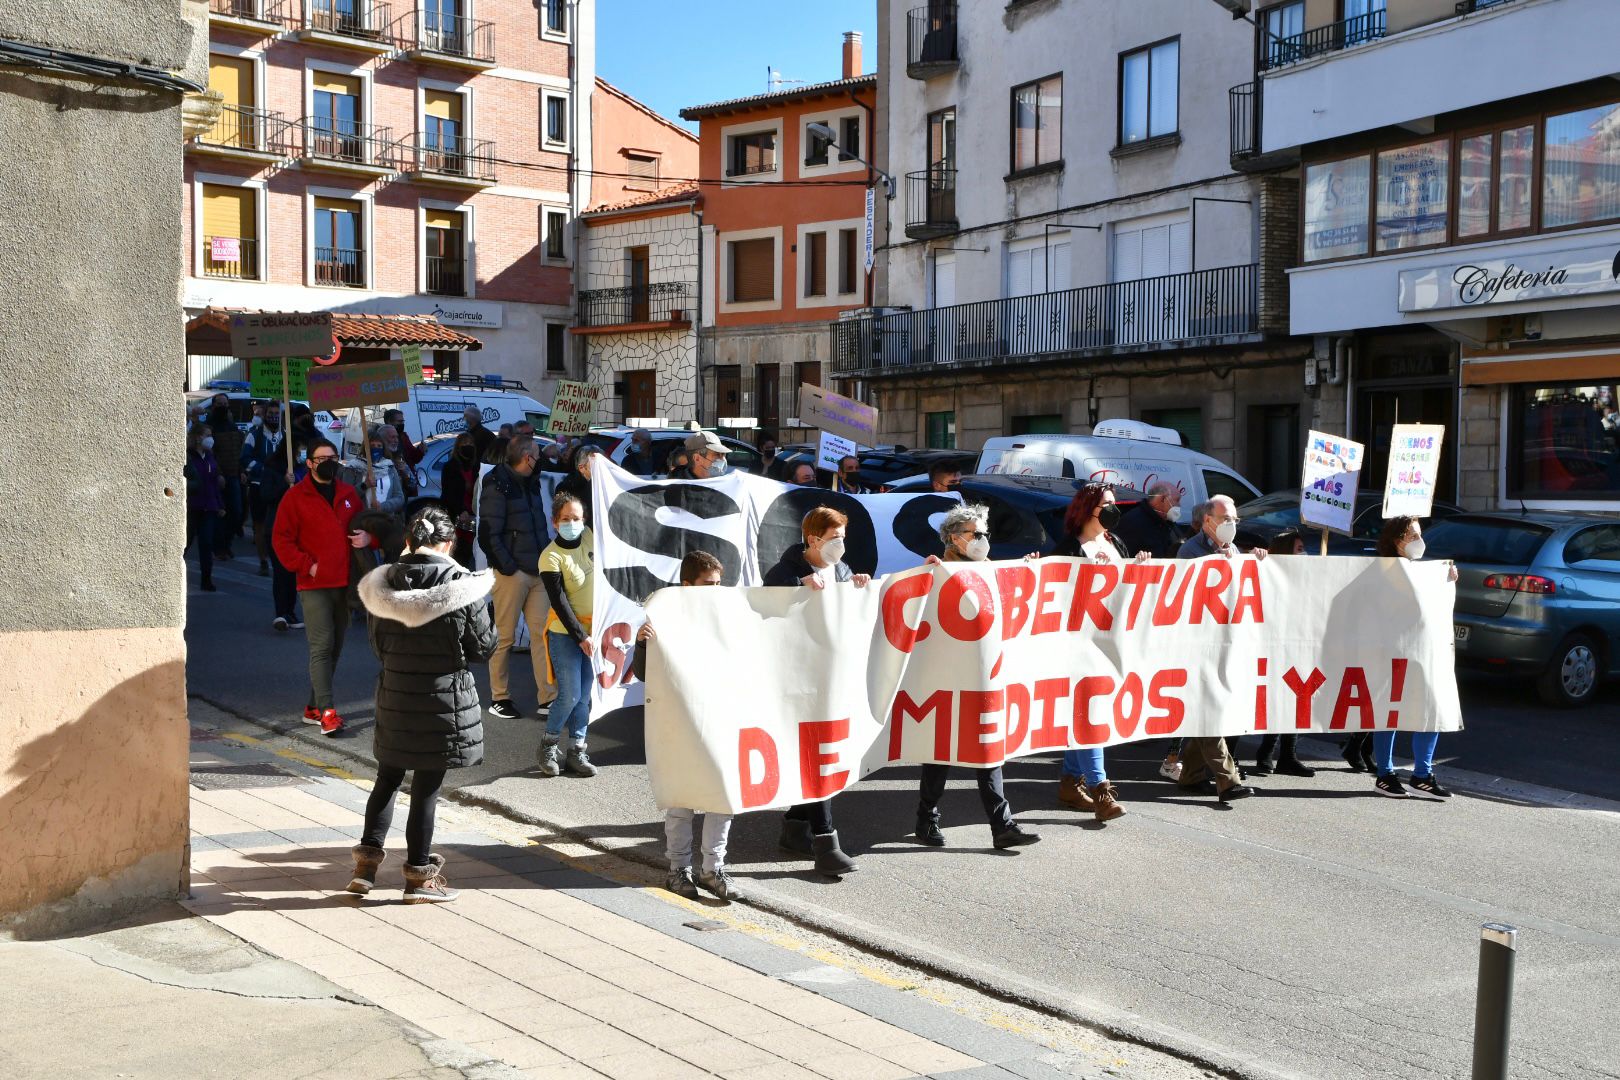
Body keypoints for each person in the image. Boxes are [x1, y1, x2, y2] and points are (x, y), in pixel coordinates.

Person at [350, 506, 496, 903]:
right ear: (447, 543)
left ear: (409, 541)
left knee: (388, 778)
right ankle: (418, 878)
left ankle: (365, 868)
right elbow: (483, 647)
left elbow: (377, 646)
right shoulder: (462, 585)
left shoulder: (383, 583)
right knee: (426, 790)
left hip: (396, 695)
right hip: (443, 700)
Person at [915, 505, 1041, 849]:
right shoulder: (936, 571)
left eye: (984, 533)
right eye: (975, 533)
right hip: (947, 677)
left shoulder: (989, 570)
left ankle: (1003, 826)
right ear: (955, 538)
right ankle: (927, 819)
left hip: (983, 677)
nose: (982, 540)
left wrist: (1025, 573)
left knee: (988, 752)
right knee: (940, 753)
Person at [763, 506, 870, 876]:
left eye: (843, 538)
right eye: (834, 538)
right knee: (817, 755)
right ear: (813, 540)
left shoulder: (839, 569)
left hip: (831, 678)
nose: (841, 545)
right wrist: (796, 592)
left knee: (820, 756)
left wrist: (856, 591)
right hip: (797, 682)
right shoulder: (784, 573)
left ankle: (795, 829)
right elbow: (766, 621)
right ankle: (826, 842)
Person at [632, 550, 742, 899]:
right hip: (679, 721)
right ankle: (678, 870)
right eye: (708, 584)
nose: (715, 590)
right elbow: (643, 673)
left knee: (722, 796)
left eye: (718, 584)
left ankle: (713, 869)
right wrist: (641, 644)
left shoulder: (727, 615)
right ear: (687, 584)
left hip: (719, 718)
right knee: (681, 801)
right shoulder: (663, 619)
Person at [1050, 482, 1141, 821]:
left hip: (1110, 642)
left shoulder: (1115, 542)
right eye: (1107, 503)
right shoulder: (1068, 549)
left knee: (1087, 713)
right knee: (1092, 713)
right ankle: (1102, 791)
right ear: (1088, 508)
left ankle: (1070, 782)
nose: (1114, 508)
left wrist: (1137, 567)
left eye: (1115, 503)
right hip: (1079, 645)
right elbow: (1056, 593)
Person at [272, 437, 370, 736]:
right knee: (322, 646)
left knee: (336, 647)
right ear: (310, 463)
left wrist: (369, 537)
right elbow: (281, 540)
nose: (329, 463)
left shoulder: (349, 492)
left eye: (333, 457)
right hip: (314, 584)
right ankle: (327, 711)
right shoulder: (295, 497)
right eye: (322, 458)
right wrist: (307, 565)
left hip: (345, 581)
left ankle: (313, 707)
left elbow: (368, 526)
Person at [1173, 496, 1263, 803]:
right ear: (1208, 521)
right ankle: (1228, 781)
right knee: (1209, 709)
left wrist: (1255, 563)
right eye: (1226, 519)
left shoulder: (1235, 551)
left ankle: (1190, 774)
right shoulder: (1190, 552)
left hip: (1226, 642)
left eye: (1235, 520)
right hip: (1197, 644)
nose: (1231, 525)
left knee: (1210, 708)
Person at [1370, 516, 1457, 800]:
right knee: (1388, 711)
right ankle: (1385, 773)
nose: (1420, 542)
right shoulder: (1380, 571)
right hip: (1391, 651)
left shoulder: (1424, 571)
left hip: (1423, 651)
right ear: (1397, 541)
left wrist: (1447, 581)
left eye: (1420, 535)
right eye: (1413, 536)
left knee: (1430, 707)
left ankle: (1422, 774)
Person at [479, 436, 554, 721]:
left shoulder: (528, 482)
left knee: (542, 636)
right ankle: (499, 696)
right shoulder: (498, 485)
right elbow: (488, 534)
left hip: (535, 569)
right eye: (537, 453)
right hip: (514, 573)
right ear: (526, 457)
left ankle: (548, 697)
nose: (541, 458)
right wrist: (508, 567)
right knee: (505, 637)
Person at [537, 493, 598, 778]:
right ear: (554, 522)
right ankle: (548, 745)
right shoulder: (550, 556)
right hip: (566, 633)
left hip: (593, 631)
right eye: (566, 519)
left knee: (585, 697)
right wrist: (580, 636)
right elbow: (560, 603)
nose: (572, 523)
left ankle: (577, 750)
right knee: (570, 694)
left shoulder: (589, 536)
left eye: (577, 518)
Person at [1251, 530, 1316, 778]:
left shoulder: (1307, 577)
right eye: (1298, 549)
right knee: (1274, 698)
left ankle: (1287, 755)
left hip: (1300, 644)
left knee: (1296, 699)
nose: (1303, 554)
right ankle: (1265, 752)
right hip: (1273, 644)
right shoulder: (1269, 572)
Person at [244, 402, 289, 577]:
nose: (273, 416)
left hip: (281, 488)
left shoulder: (286, 437)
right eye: (270, 413)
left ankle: (279, 559)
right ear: (264, 415)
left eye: (277, 413)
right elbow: (245, 459)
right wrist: (263, 470)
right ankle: (263, 561)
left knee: (281, 525)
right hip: (259, 486)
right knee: (260, 526)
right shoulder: (254, 435)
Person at [184, 424, 226, 593]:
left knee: (206, 544)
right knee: (185, 544)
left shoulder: (210, 456)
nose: (211, 438)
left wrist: (220, 504)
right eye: (207, 435)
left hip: (209, 507)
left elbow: (213, 482)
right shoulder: (188, 457)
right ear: (198, 437)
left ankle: (206, 580)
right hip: (192, 506)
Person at [207, 400, 246, 561]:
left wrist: (242, 471)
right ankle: (218, 548)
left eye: (225, 403)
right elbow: (211, 454)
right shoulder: (210, 427)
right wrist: (219, 474)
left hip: (234, 475)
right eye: (219, 403)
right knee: (219, 514)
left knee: (236, 512)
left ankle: (226, 544)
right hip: (218, 477)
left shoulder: (233, 426)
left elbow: (239, 451)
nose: (223, 406)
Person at [438, 432, 481, 569]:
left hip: (474, 513)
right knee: (459, 552)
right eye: (464, 445)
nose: (468, 447)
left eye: (470, 444)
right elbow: (448, 494)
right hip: (457, 515)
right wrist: (460, 510)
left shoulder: (477, 466)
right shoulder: (450, 467)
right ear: (458, 447)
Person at [1114, 482, 1184, 559]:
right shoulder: (1133, 523)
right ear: (1162, 499)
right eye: (1177, 500)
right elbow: (1121, 558)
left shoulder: (1168, 523)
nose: (1179, 505)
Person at [556, 445, 599, 525]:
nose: (600, 467)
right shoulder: (566, 488)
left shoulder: (600, 486)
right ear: (581, 467)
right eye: (595, 463)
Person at [376, 422, 419, 502]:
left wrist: (405, 474)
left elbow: (413, 485)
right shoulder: (375, 459)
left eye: (397, 437)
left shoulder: (399, 458)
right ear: (382, 439)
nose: (396, 440)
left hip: (398, 509)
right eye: (392, 437)